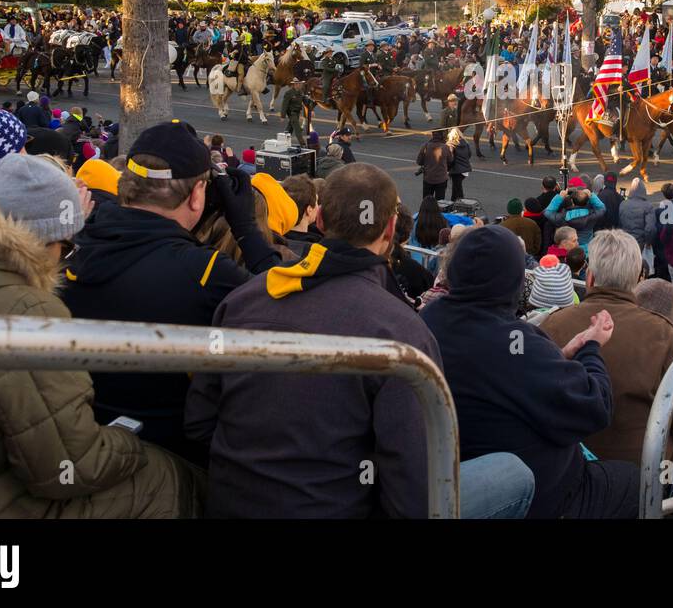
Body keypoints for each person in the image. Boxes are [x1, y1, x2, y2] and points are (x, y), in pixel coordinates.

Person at [188, 165, 533, 518]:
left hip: (231, 503)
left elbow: (199, 422)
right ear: (389, 230)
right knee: (513, 473)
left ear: (320, 219)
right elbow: (415, 493)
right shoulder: (402, 333)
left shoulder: (243, 299)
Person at [0, 152, 201, 517]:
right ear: (43, 241)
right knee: (167, 477)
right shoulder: (24, 310)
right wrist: (130, 441)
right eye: (67, 246)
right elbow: (68, 468)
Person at [63, 120, 279, 463]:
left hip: (83, 438)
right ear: (197, 196)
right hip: (173, 456)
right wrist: (246, 230)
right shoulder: (206, 272)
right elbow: (293, 308)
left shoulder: (71, 246)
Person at [421, 224, 636, 519]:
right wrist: (591, 347)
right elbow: (594, 406)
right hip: (542, 495)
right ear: (513, 280)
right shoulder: (513, 340)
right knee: (636, 483)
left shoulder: (430, 318)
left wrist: (562, 353)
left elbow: (504, 377)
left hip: (460, 474)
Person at [542, 230, 673, 517]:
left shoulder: (551, 324)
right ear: (637, 280)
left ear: (590, 277)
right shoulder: (665, 334)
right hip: (642, 481)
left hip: (565, 475)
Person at [416, 129, 451, 200]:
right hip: (442, 179)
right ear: (441, 136)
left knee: (427, 201)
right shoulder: (445, 147)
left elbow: (419, 162)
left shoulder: (425, 146)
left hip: (428, 178)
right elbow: (450, 161)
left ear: (433, 136)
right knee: (440, 202)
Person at [278, 76, 308, 145]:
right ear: (295, 84)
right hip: (292, 113)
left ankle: (283, 141)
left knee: (290, 128)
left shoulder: (300, 92)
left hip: (297, 113)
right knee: (298, 129)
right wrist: (283, 116)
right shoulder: (289, 93)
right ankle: (302, 144)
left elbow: (305, 101)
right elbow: (284, 105)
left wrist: (310, 101)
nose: (301, 85)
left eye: (301, 84)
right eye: (300, 84)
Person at [446, 126, 471, 201]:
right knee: (455, 188)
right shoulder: (466, 143)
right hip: (465, 170)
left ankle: (461, 204)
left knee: (458, 190)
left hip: (456, 170)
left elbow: (450, 159)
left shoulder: (452, 145)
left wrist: (447, 170)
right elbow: (469, 155)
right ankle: (453, 201)